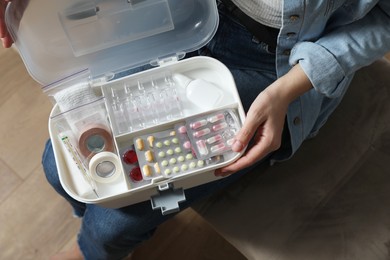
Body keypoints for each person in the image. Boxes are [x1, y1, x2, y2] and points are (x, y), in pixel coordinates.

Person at [2, 0, 390, 259]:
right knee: (57, 164)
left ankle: (92, 248)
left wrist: (289, 89)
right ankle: (83, 213)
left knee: (112, 222)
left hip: (280, 67)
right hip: (185, 20)